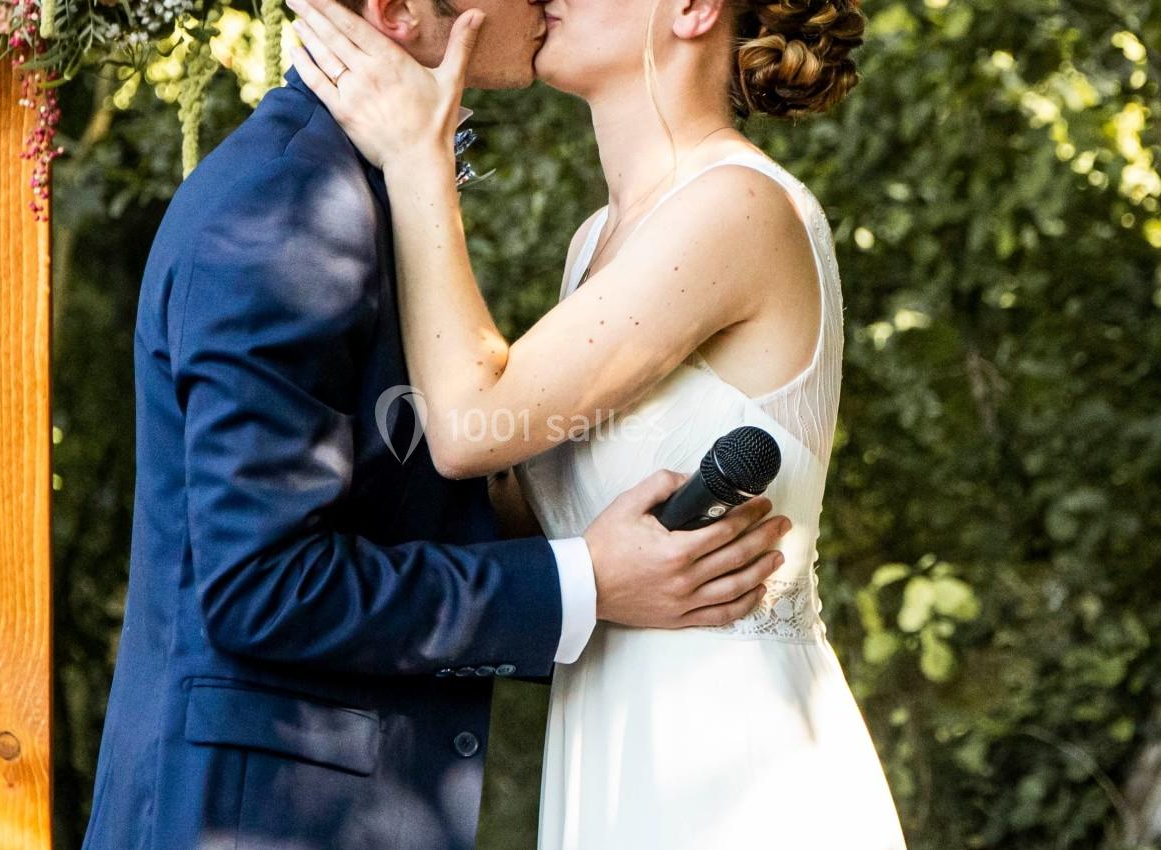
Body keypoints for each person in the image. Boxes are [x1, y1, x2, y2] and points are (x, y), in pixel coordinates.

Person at [78, 0, 791, 848]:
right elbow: (261, 586)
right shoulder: (285, 211)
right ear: (396, 12)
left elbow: (400, 503)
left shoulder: (373, 193)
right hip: (246, 819)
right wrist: (584, 582)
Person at [288, 0, 909, 846]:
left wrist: (415, 154)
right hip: (614, 745)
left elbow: (470, 427)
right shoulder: (598, 241)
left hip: (730, 762)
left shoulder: (738, 207)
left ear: (692, 9)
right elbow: (518, 504)